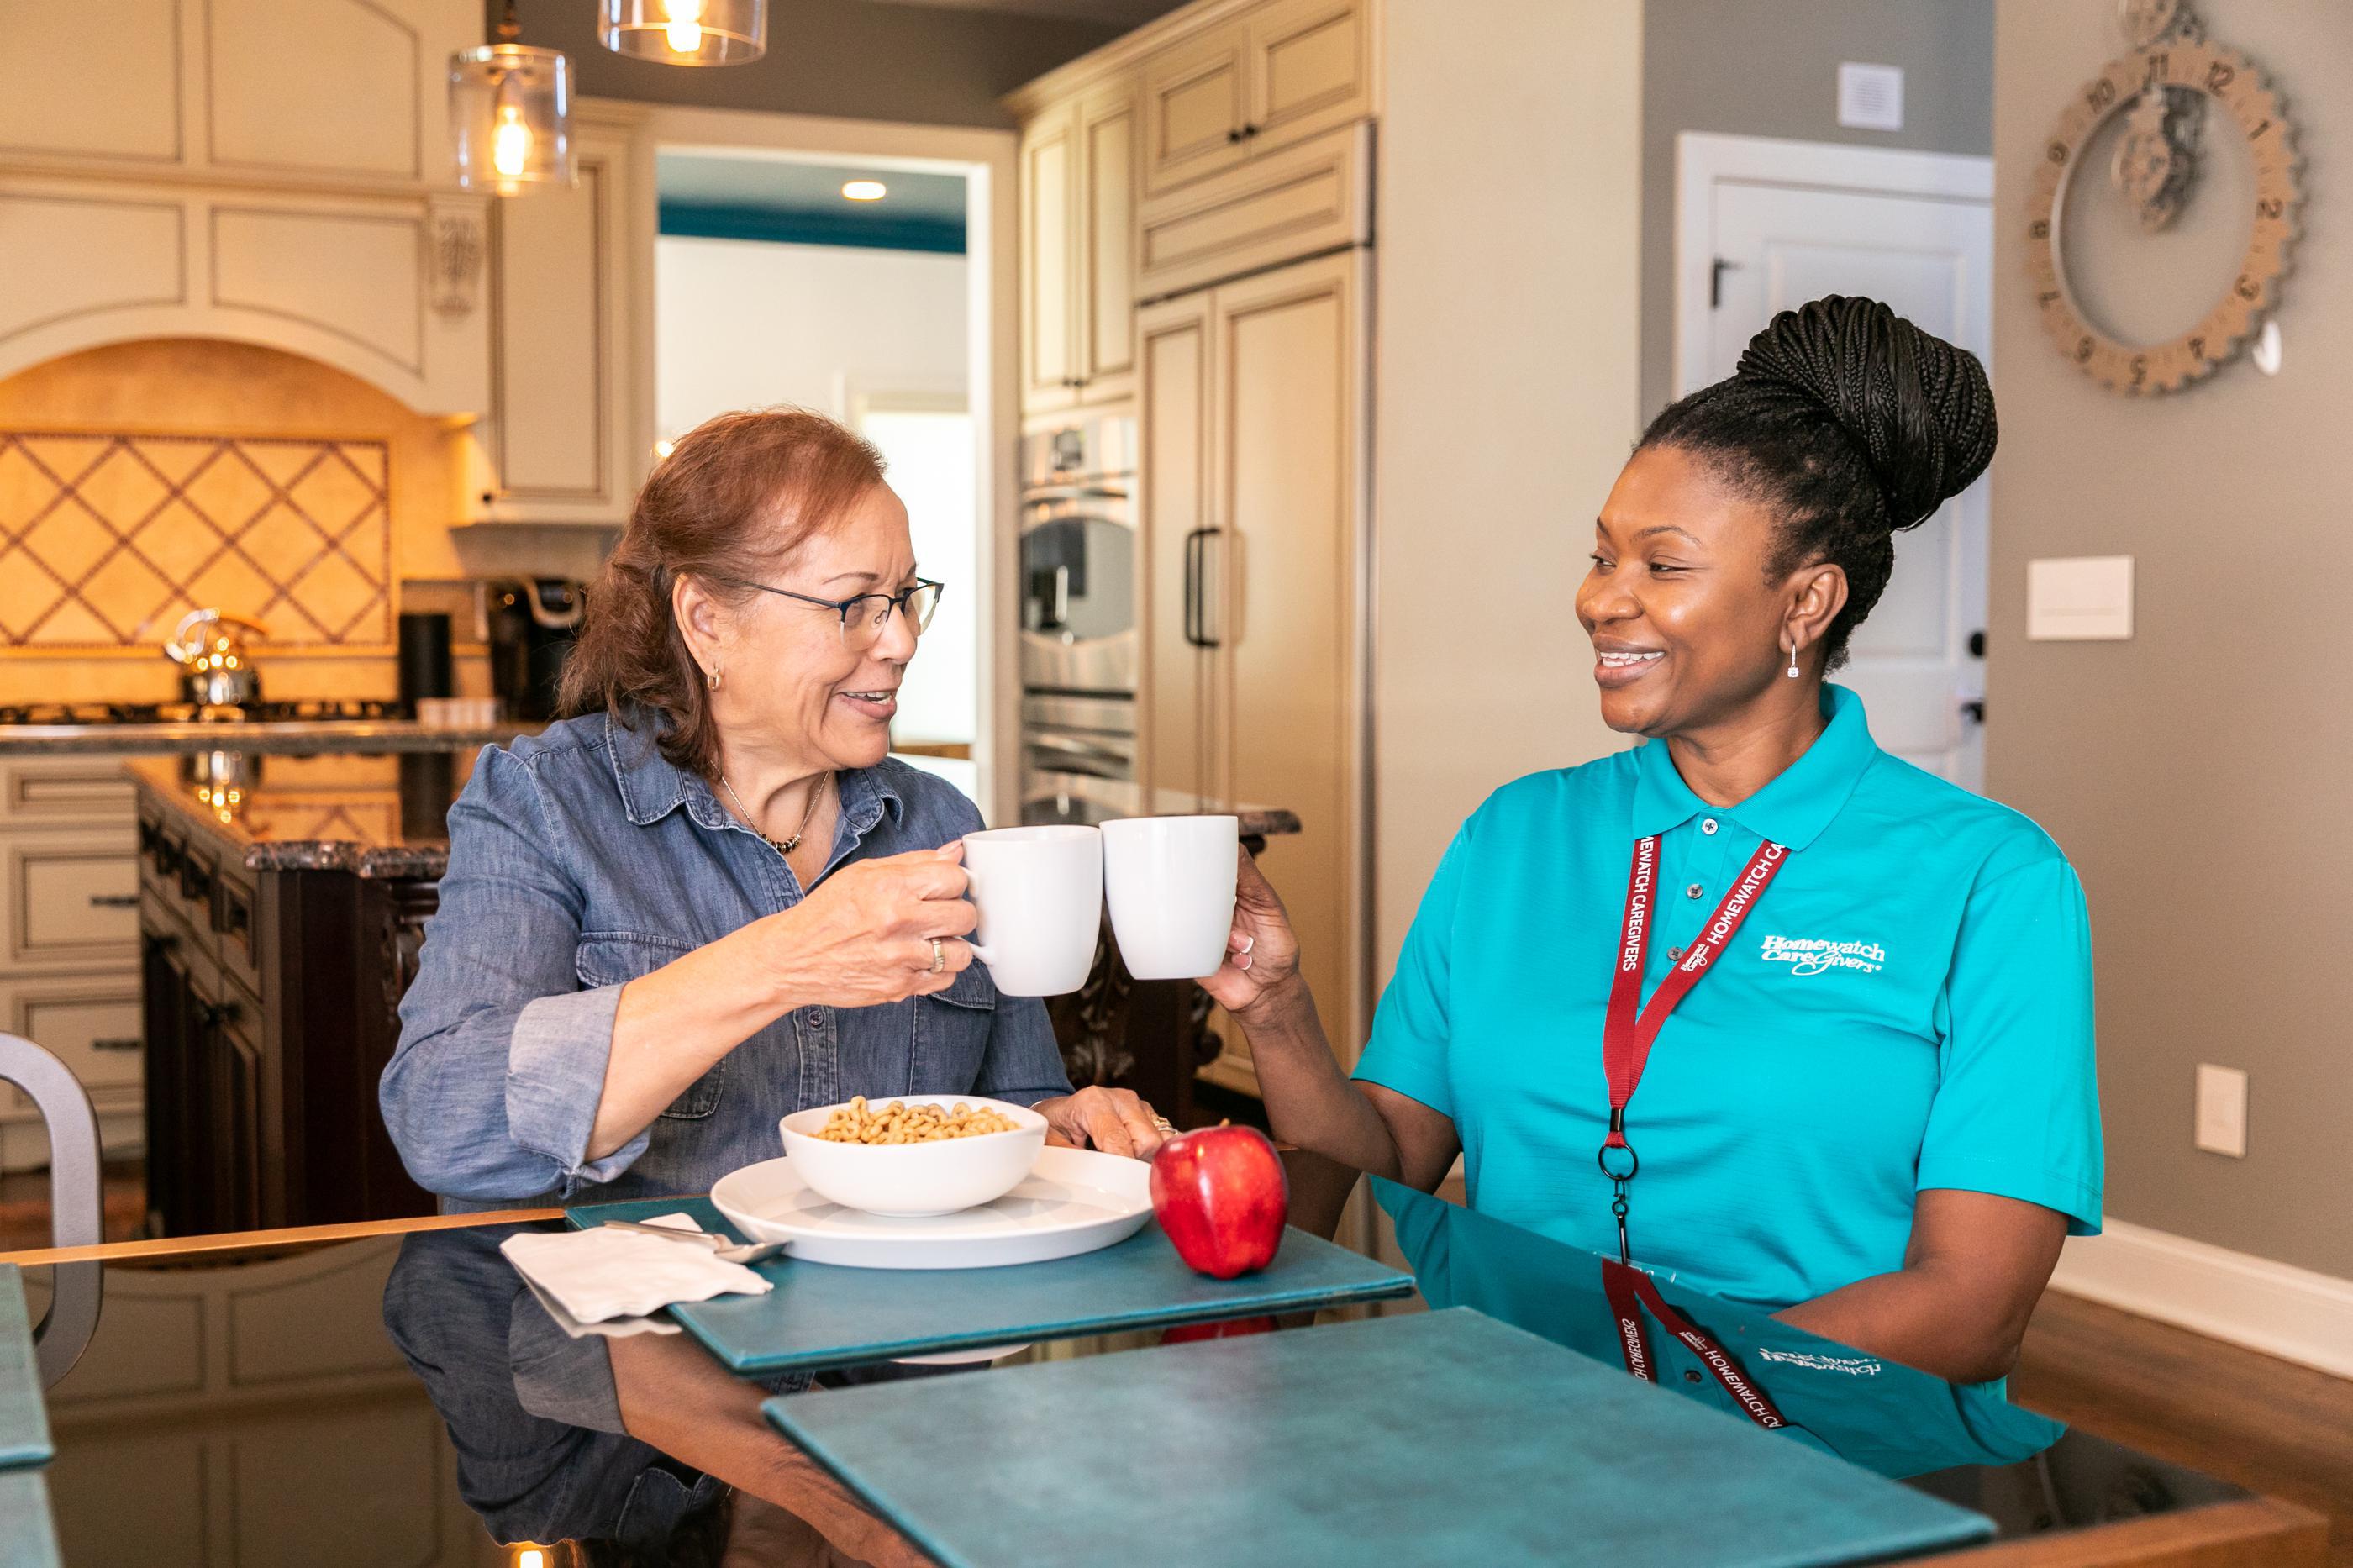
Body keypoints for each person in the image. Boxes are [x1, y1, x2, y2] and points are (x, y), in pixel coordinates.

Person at [1210, 297, 2101, 1386]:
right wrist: (1277, 1004)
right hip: (1502, 1436)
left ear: (1806, 601)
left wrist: (1664, 1392)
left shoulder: (1992, 880)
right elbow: (1391, 1155)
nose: (1599, 599)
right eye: (1600, 555)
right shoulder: (1514, 835)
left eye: (1661, 565)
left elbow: (1971, 1307)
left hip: (1813, 1461)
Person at [382, 408, 1166, 1205]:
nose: (900, 641)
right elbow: (443, 1122)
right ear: (707, 621)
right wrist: (786, 958)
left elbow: (1011, 1103)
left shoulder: (941, 824)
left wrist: (1061, 1121)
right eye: (853, 604)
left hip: (889, 1317)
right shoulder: (546, 804)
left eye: (904, 597)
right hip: (636, 1324)